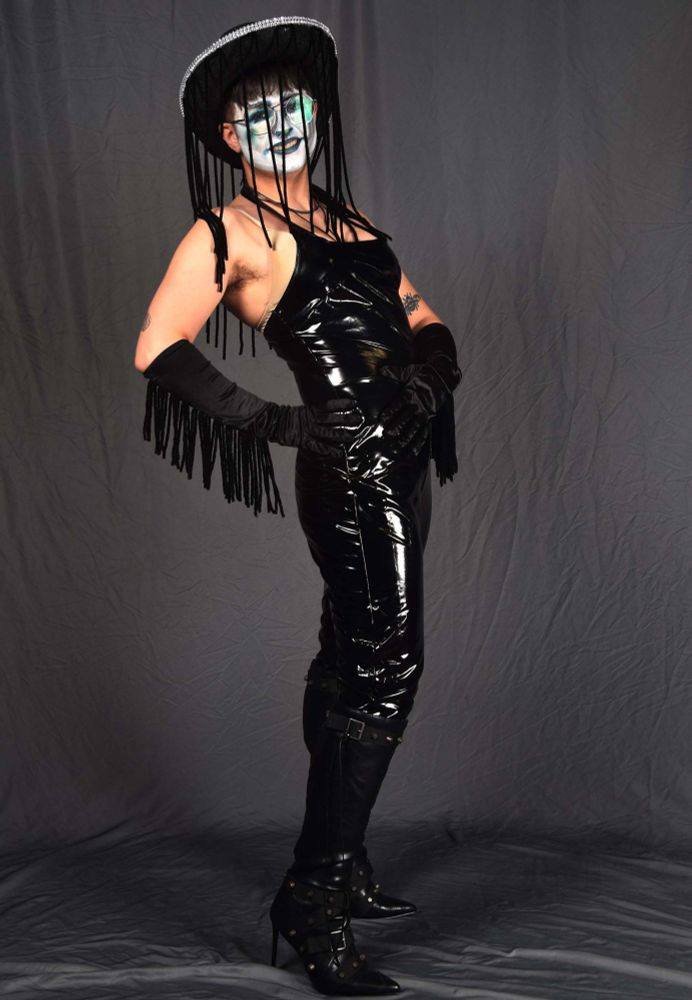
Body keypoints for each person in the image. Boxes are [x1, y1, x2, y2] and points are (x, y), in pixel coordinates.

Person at [133, 16, 461, 996]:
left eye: (296, 104)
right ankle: (311, 897)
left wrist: (428, 375)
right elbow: (157, 344)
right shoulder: (229, 232)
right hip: (348, 468)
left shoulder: (344, 218)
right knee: (386, 669)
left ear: (318, 116)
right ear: (228, 137)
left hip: (403, 456)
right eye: (259, 111)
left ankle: (342, 862)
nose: (283, 122)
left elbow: (420, 316)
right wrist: (282, 423)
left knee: (347, 653)